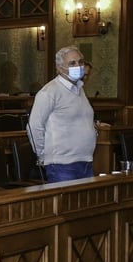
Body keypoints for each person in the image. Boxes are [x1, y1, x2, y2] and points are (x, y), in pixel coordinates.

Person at [27, 46, 95, 183]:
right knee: (66, 204)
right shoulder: (49, 92)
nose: (78, 66)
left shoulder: (79, 90)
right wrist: (43, 155)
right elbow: (34, 126)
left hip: (86, 161)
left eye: (80, 62)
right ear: (59, 68)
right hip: (62, 165)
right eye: (72, 63)